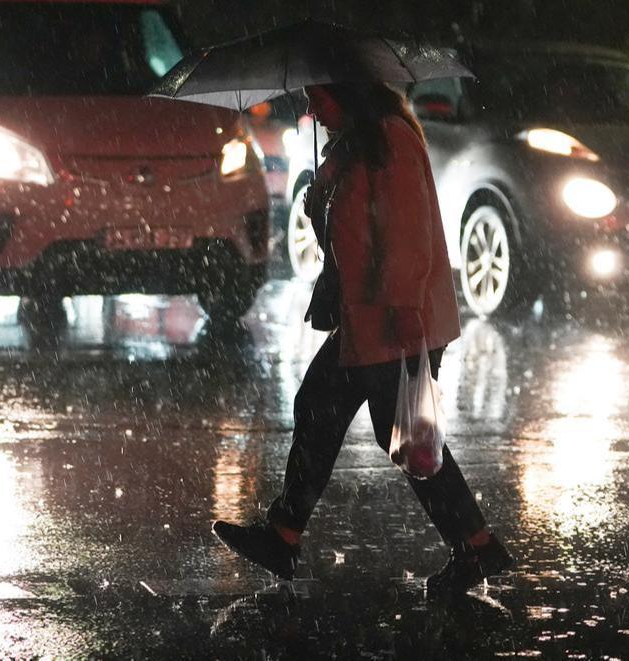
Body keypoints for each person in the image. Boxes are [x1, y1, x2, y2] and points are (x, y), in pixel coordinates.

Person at [213, 81, 512, 596]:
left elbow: (405, 233)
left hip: (393, 317)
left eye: (320, 97)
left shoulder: (391, 140)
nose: (311, 108)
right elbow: (354, 227)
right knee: (325, 409)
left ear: (350, 93)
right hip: (367, 319)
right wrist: (320, 201)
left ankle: (477, 546)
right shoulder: (354, 145)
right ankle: (284, 535)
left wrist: (402, 312)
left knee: (408, 438)